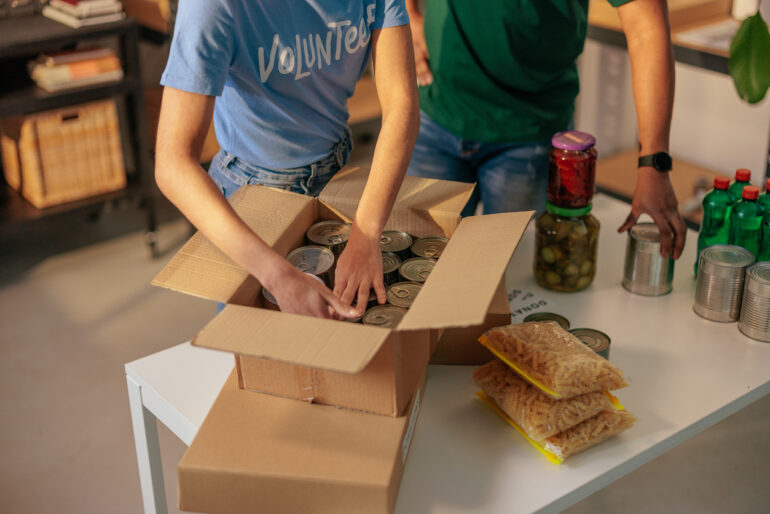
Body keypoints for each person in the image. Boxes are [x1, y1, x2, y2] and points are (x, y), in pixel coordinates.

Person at [155, 1, 419, 319]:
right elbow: (172, 163)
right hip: (253, 192)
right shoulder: (213, 5)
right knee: (259, 349)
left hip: (338, 174)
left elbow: (401, 103)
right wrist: (277, 275)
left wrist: (366, 233)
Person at [405, 0, 686, 259]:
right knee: (419, 267)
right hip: (436, 112)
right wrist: (408, 13)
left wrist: (653, 164)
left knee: (506, 278)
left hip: (529, 137)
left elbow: (645, 28)